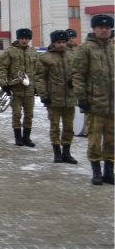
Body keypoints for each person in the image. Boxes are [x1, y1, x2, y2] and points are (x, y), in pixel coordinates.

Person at [71, 14, 114, 186]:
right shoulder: (85, 49)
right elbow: (78, 75)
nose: (104, 30)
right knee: (95, 140)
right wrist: (81, 97)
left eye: (107, 28)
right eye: (101, 28)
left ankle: (109, 172)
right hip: (95, 103)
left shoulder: (112, 48)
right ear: (94, 29)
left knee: (112, 140)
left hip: (112, 105)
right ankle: (96, 172)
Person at [35, 30, 77, 164]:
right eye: (59, 42)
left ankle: (67, 152)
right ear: (53, 43)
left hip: (69, 98)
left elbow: (78, 74)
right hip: (53, 99)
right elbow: (40, 78)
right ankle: (57, 153)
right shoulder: (45, 58)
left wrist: (74, 82)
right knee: (55, 127)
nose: (62, 45)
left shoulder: (71, 57)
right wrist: (44, 95)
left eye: (64, 42)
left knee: (69, 127)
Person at [0, 28, 39, 147]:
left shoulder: (33, 53)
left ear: (29, 39)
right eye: (22, 38)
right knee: (17, 114)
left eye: (26, 39)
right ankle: (18, 137)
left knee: (29, 114)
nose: (24, 41)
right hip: (15, 89)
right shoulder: (10, 51)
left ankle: (27, 137)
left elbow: (38, 71)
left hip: (29, 89)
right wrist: (3, 83)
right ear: (18, 39)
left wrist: (37, 86)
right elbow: (2, 68)